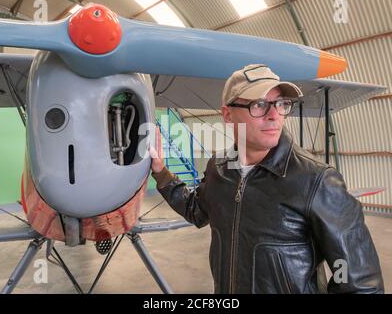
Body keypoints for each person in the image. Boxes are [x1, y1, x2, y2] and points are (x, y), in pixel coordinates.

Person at [149, 64, 384, 294]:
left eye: (281, 104)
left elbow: (359, 282)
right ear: (228, 114)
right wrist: (160, 171)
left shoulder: (316, 181)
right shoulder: (219, 169)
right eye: (259, 105)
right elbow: (196, 211)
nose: (274, 116)